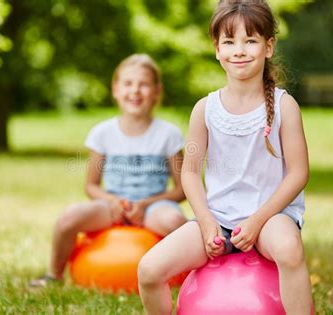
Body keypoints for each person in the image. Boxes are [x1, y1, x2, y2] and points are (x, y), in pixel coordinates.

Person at [137, 1, 313, 314]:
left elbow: (298, 173)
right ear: (217, 49)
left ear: (268, 46)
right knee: (149, 270)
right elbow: (190, 172)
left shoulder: (286, 106)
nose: (239, 50)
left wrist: (258, 221)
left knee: (289, 250)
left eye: (251, 40)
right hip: (217, 218)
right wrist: (206, 222)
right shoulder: (205, 109)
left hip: (271, 217)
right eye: (229, 42)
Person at [30, 54, 187, 287]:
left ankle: (190, 278)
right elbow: (91, 186)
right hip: (112, 205)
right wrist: (113, 202)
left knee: (176, 221)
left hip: (153, 207)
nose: (135, 91)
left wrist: (144, 205)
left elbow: (182, 189)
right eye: (128, 83)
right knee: (68, 218)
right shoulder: (102, 133)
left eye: (143, 84)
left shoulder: (169, 134)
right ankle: (53, 275)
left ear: (156, 91)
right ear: (115, 89)